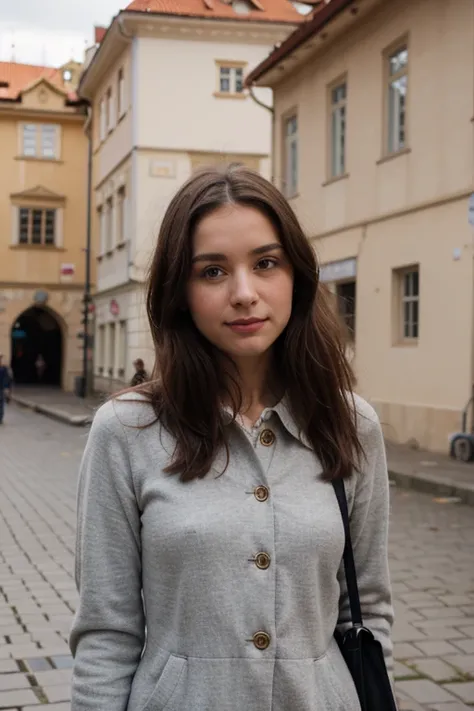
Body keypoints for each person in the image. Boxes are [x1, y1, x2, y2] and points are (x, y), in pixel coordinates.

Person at [70, 165, 395, 711]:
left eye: (266, 263)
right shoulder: (126, 431)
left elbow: (368, 610)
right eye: (213, 271)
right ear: (181, 292)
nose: (244, 293)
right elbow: (107, 633)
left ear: (296, 275)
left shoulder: (350, 424)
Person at [0, 354, 12, 425]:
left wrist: (8, 390)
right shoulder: (4, 369)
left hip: (1, 389)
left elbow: (8, 380)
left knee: (1, 405)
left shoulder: (5, 369)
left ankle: (0, 419)